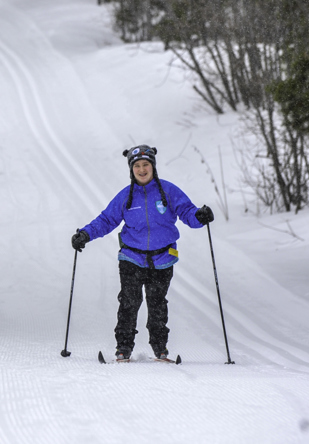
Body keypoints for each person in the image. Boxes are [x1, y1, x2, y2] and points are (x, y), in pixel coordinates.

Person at [71, 145, 213, 361]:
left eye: (146, 164)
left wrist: (199, 216)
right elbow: (107, 220)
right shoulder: (125, 196)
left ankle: (160, 349)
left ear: (153, 166)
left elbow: (187, 212)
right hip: (132, 258)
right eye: (137, 165)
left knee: (157, 304)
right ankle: (123, 350)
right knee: (129, 302)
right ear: (131, 169)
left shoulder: (168, 191)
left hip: (163, 259)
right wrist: (85, 234)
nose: (142, 169)